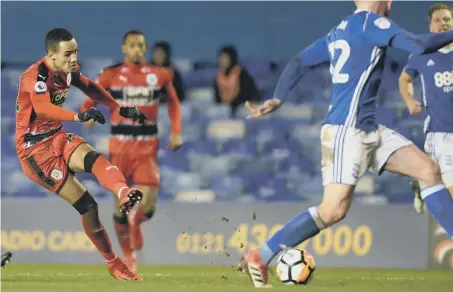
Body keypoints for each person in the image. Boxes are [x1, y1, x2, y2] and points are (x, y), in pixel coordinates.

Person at [240, 0, 453, 287]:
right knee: (333, 210)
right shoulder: (372, 23)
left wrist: (278, 97)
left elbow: (300, 60)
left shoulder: (339, 30)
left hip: (368, 129)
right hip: (346, 131)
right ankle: (261, 255)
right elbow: (418, 44)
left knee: (428, 171)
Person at [15, 28, 146, 280]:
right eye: (67, 54)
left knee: (94, 158)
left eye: (76, 51)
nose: (73, 59)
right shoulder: (34, 77)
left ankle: (123, 192)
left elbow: (89, 86)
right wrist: (78, 116)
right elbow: (42, 108)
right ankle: (113, 263)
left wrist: (118, 108)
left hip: (56, 136)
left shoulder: (67, 71)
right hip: (35, 152)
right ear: (51, 56)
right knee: (89, 207)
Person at [81, 30, 183, 272]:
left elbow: (174, 103)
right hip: (120, 149)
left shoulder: (159, 75)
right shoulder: (110, 75)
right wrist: (87, 113)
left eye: (141, 45)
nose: (137, 49)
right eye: (132, 45)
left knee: (148, 204)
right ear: (124, 48)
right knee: (119, 208)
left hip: (146, 149)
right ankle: (128, 256)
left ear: (145, 49)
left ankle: (137, 221)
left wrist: (176, 130)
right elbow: (90, 98)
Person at [399, 3, 453, 213]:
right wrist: (409, 100)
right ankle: (423, 183)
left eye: (447, 19)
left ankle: (421, 183)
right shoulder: (422, 54)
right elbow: (404, 80)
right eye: (438, 20)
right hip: (441, 133)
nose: (443, 24)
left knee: (436, 176)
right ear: (431, 27)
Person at [214, 45, 260, 116]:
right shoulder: (219, 75)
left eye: (225, 58)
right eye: (221, 58)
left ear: (231, 59)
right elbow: (217, 96)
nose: (222, 61)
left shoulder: (242, 74)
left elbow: (249, 94)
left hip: (242, 107)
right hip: (226, 107)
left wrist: (234, 103)